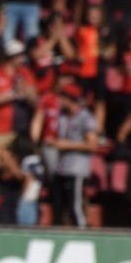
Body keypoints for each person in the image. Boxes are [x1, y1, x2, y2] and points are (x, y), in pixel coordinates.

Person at [49, 82, 98, 227]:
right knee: (58, 207)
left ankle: (81, 232)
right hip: (61, 167)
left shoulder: (85, 117)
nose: (60, 101)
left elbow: (92, 145)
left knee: (75, 207)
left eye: (63, 97)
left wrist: (66, 145)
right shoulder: (63, 116)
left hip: (77, 169)